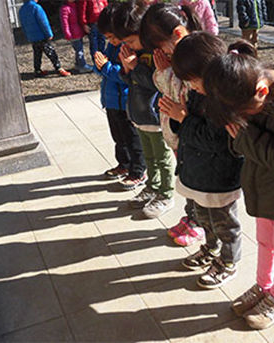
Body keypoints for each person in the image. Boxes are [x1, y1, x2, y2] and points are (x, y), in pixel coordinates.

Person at [203, 43, 274, 329]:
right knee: (265, 242)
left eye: (243, 114)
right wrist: (240, 136)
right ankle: (263, 287)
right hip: (263, 188)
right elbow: (239, 139)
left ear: (262, 91)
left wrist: (244, 136)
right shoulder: (248, 90)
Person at [159, 32, 244, 287]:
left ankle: (228, 262)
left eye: (194, 81)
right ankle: (211, 249)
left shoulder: (225, 99)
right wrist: (178, 117)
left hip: (218, 177)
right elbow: (188, 128)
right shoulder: (200, 93)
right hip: (197, 172)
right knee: (204, 218)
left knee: (224, 223)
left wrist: (184, 118)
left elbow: (216, 140)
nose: (192, 87)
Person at [140, 3, 204, 245]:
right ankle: (192, 217)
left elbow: (183, 93)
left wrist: (164, 73)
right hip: (182, 133)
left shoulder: (194, 57)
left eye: (161, 47)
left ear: (177, 34)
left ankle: (201, 223)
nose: (162, 53)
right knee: (187, 179)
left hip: (194, 133)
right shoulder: (178, 54)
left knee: (198, 182)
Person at [112, 2, 176, 219]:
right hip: (139, 115)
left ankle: (166, 194)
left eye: (130, 40)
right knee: (149, 157)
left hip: (156, 116)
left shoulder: (156, 53)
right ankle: (152, 186)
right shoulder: (136, 52)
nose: (129, 45)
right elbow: (131, 80)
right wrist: (126, 69)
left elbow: (156, 82)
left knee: (162, 158)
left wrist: (135, 66)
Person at [94, 4, 147, 183]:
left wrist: (106, 67)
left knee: (132, 138)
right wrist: (100, 65)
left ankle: (138, 170)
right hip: (110, 100)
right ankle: (124, 164)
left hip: (125, 100)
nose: (111, 41)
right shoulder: (111, 46)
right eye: (107, 38)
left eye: (112, 37)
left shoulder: (129, 46)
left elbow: (125, 74)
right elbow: (103, 67)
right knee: (118, 137)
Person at [19, 0, 71, 77]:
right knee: (51, 52)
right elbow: (43, 22)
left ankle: (37, 70)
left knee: (37, 53)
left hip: (32, 37)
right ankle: (58, 67)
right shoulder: (36, 7)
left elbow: (22, 25)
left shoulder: (21, 10)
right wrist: (49, 33)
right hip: (41, 35)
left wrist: (27, 35)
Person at [60, 0, 93, 73]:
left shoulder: (75, 5)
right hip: (73, 34)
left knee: (79, 49)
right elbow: (65, 23)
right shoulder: (65, 9)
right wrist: (67, 34)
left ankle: (78, 64)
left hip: (78, 32)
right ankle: (82, 66)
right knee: (79, 50)